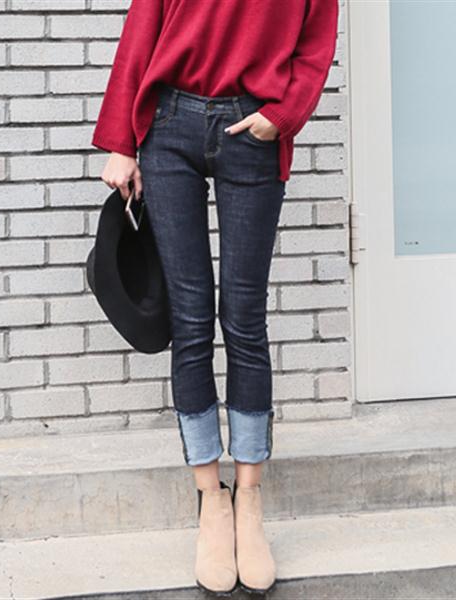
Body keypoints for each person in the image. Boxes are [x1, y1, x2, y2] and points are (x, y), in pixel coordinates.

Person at [92, 0, 339, 595]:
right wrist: (122, 142)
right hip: (170, 125)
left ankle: (249, 501)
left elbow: (317, 39)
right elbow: (143, 25)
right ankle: (211, 500)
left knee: (245, 319)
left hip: (251, 127)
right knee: (191, 321)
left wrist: (283, 115)